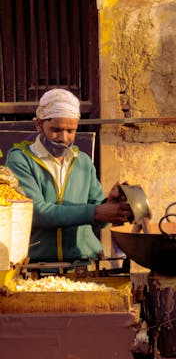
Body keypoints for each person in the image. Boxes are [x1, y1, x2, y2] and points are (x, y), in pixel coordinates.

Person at [6, 88, 131, 263]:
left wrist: (108, 204)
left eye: (71, 131)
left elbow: (99, 221)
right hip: (38, 265)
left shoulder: (83, 162)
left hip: (85, 262)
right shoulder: (20, 160)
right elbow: (36, 212)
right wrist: (96, 212)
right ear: (39, 125)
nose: (64, 138)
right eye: (56, 130)